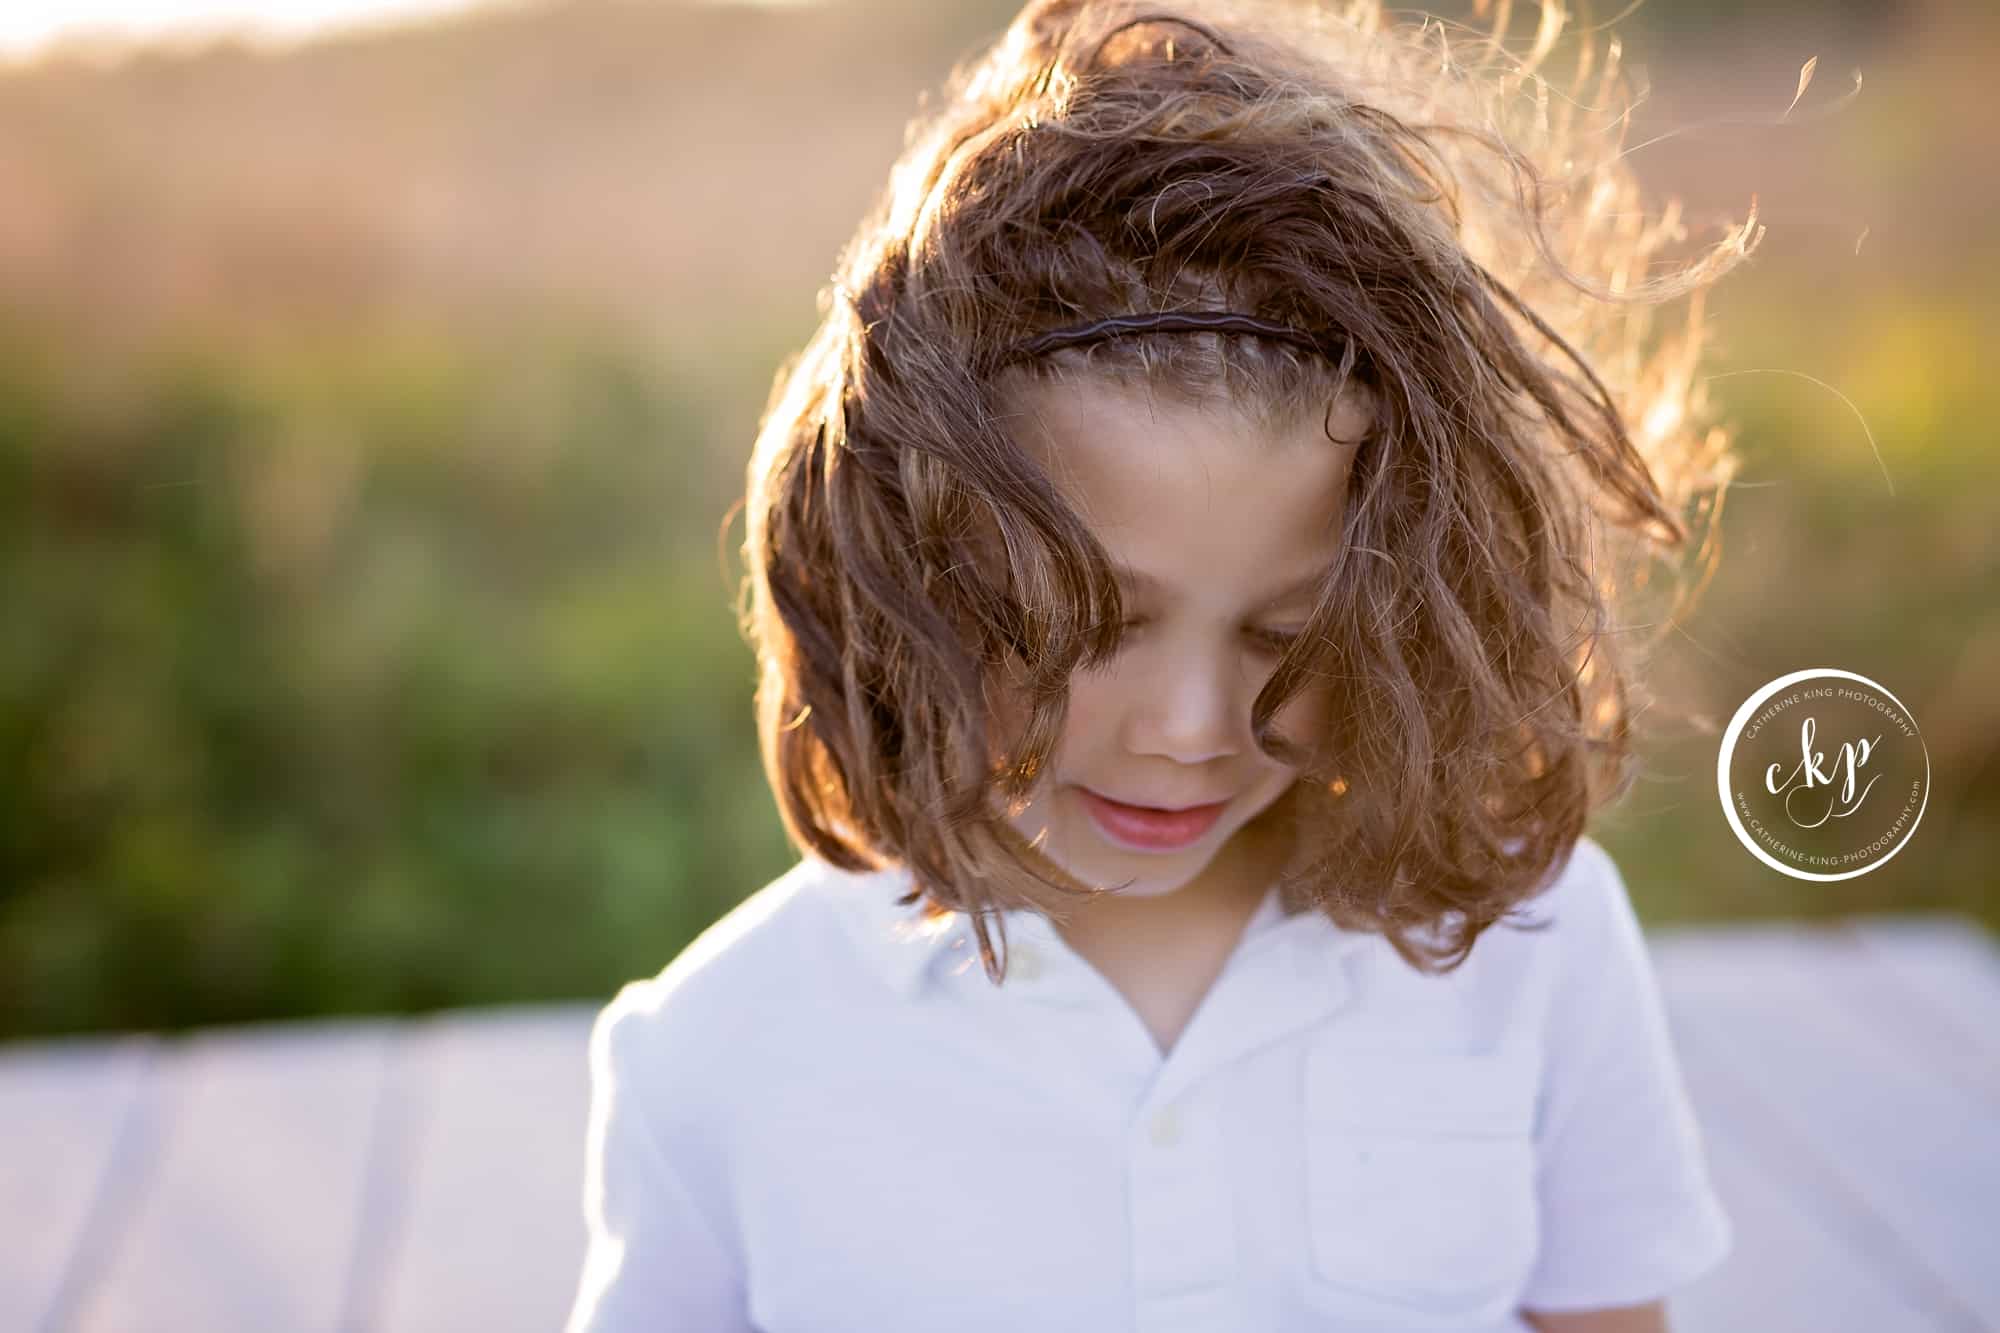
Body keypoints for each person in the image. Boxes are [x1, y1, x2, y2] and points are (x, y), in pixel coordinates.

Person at [566, 0, 1757, 1328]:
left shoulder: (1533, 939)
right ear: (914, 559)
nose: (1194, 727)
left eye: (1283, 634)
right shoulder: (720, 1056)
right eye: (1096, 624)